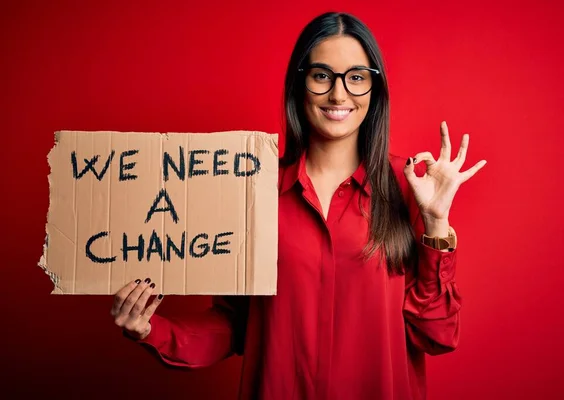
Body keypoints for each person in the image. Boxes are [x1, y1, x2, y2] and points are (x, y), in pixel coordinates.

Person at [110, 11, 486, 400]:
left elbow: (437, 335)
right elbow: (236, 326)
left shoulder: (410, 187)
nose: (339, 95)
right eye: (322, 75)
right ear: (299, 84)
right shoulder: (252, 188)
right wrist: (151, 330)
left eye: (356, 78)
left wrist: (436, 223)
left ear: (375, 90)